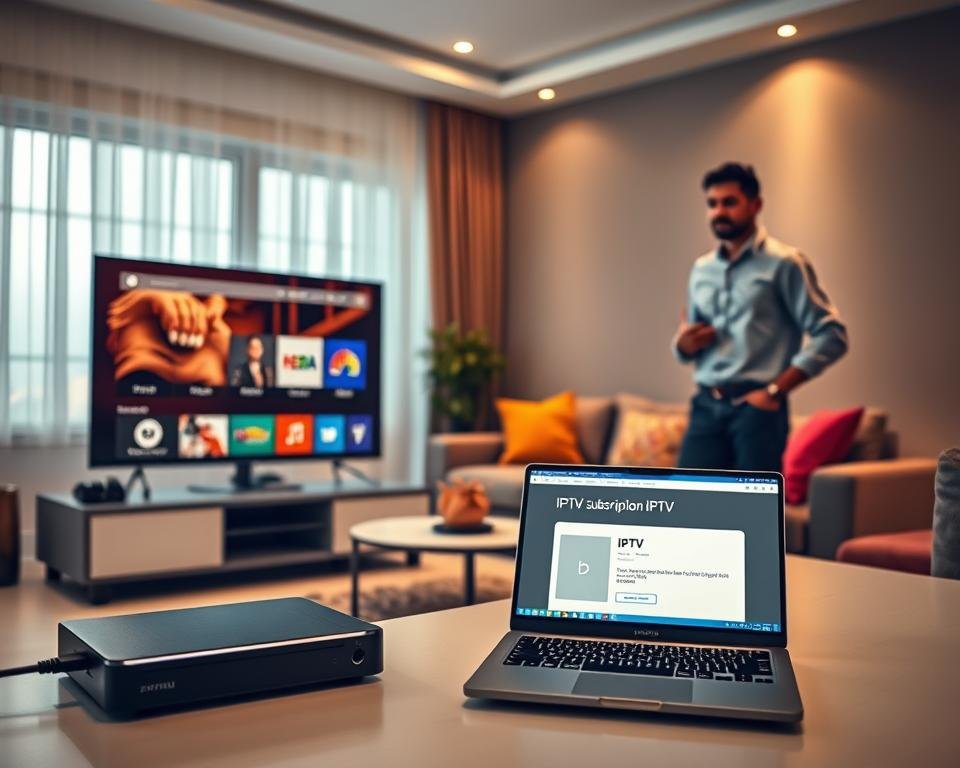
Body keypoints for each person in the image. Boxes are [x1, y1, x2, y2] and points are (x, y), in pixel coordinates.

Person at [673, 162, 848, 472]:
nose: (718, 212)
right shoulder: (701, 270)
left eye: (729, 202)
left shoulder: (785, 264)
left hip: (756, 412)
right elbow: (691, 342)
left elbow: (831, 335)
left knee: (754, 516)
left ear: (756, 205)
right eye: (712, 204)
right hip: (705, 406)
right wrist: (683, 346)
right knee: (689, 508)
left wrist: (775, 391)